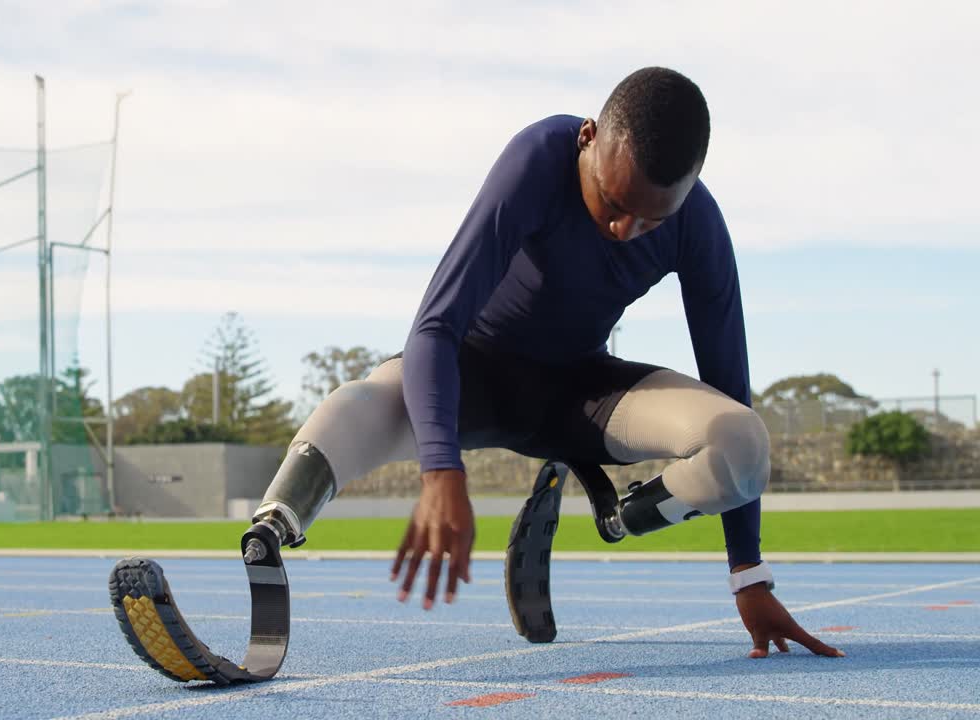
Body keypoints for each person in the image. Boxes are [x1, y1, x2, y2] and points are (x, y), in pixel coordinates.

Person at [250, 66, 843, 659]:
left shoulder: (700, 225)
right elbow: (436, 324)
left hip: (579, 399)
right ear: (588, 137)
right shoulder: (537, 158)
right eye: (613, 202)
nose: (624, 229)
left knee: (744, 443)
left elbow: (728, 382)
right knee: (357, 400)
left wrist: (748, 573)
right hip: (473, 376)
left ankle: (620, 517)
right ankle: (271, 532)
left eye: (651, 220)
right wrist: (441, 473)